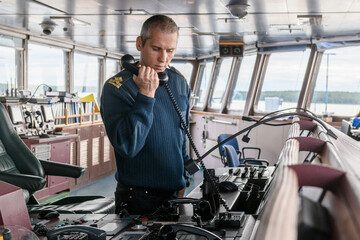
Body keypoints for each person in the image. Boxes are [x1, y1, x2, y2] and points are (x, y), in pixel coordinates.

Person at [100, 14, 191, 215]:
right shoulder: (116, 88)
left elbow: (180, 135)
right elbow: (128, 146)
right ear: (140, 43)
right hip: (138, 198)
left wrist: (184, 175)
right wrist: (146, 94)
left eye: (170, 51)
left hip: (175, 193)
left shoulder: (178, 82)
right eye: (156, 49)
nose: (163, 59)